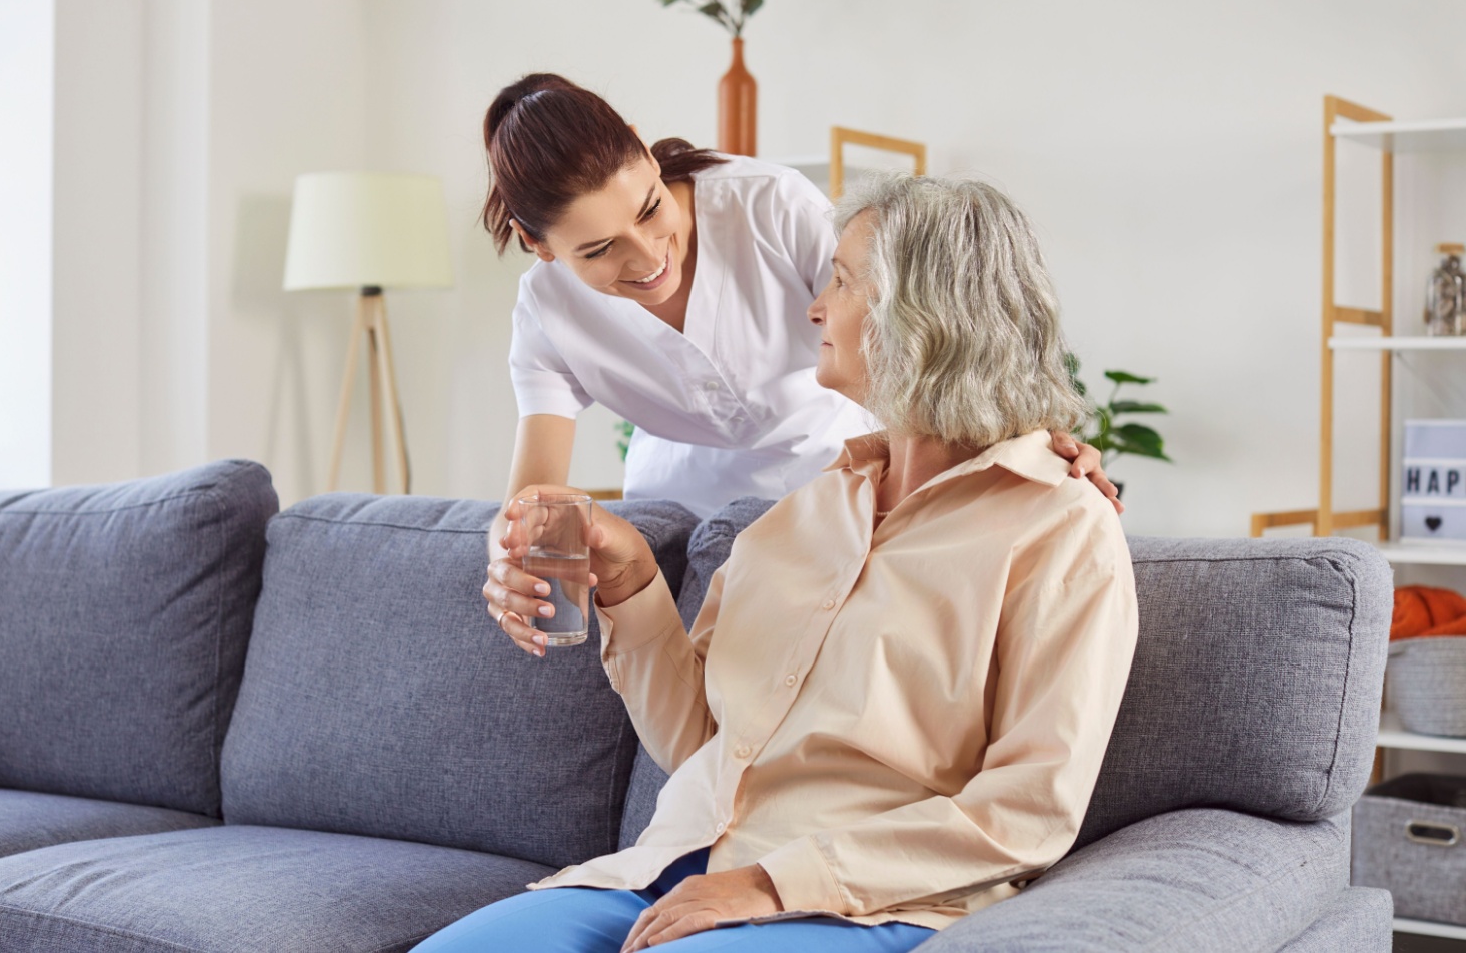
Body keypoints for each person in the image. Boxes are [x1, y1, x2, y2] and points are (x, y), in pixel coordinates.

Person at [443, 173, 1139, 952]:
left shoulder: (1059, 526)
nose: (815, 307)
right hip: (664, 874)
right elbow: (701, 742)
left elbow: (1027, 810)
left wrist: (768, 885)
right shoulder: (800, 515)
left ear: (926, 317)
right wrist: (633, 582)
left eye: (842, 282)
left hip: (851, 903)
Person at [480, 74, 1117, 548]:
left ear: (646, 154)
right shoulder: (546, 312)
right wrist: (509, 556)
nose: (648, 257)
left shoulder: (768, 206)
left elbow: (918, 326)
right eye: (599, 249)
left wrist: (1033, 445)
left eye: (649, 209)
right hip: (681, 515)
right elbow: (531, 499)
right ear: (538, 245)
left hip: (836, 480)